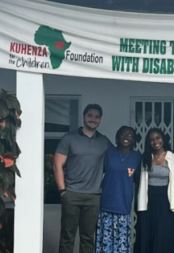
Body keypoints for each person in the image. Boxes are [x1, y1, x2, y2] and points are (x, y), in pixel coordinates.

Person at [53, 104, 112, 253]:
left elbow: (116, 161)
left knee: (87, 237)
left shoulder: (104, 141)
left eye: (97, 116)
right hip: (71, 194)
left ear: (100, 120)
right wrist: (62, 192)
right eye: (90, 115)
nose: (93, 119)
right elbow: (57, 165)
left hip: (93, 196)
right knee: (67, 236)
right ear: (84, 117)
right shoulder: (70, 138)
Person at [95, 126, 141, 253]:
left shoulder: (137, 157)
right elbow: (97, 172)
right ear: (117, 137)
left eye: (130, 135)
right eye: (123, 134)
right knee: (105, 246)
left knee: (120, 247)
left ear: (134, 140)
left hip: (123, 207)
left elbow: (139, 180)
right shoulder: (109, 153)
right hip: (106, 206)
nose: (126, 137)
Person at [134, 128, 174, 253]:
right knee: (147, 233)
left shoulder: (173, 157)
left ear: (163, 139)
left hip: (165, 201)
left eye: (158, 138)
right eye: (152, 139)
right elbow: (138, 179)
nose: (155, 141)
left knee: (163, 235)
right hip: (148, 201)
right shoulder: (146, 157)